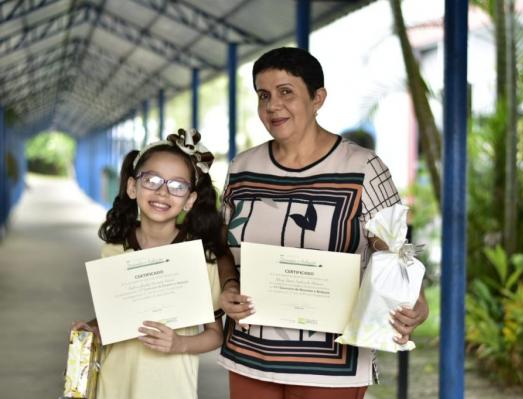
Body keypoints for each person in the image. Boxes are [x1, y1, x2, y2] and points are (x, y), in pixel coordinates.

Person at [217, 47, 429, 398]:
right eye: (263, 95)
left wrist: (415, 300)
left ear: (318, 98)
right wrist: (227, 284)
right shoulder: (243, 168)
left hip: (332, 363)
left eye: (287, 92)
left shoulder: (363, 167)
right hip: (249, 351)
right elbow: (223, 245)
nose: (273, 106)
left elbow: (395, 251)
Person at [73, 129, 227, 399]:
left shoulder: (201, 259)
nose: (163, 192)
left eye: (177, 185)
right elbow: (115, 317)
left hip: (172, 390)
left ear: (190, 199)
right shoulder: (112, 251)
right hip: (112, 388)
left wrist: (180, 343)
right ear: (132, 187)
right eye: (152, 180)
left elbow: (215, 335)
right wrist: (93, 329)